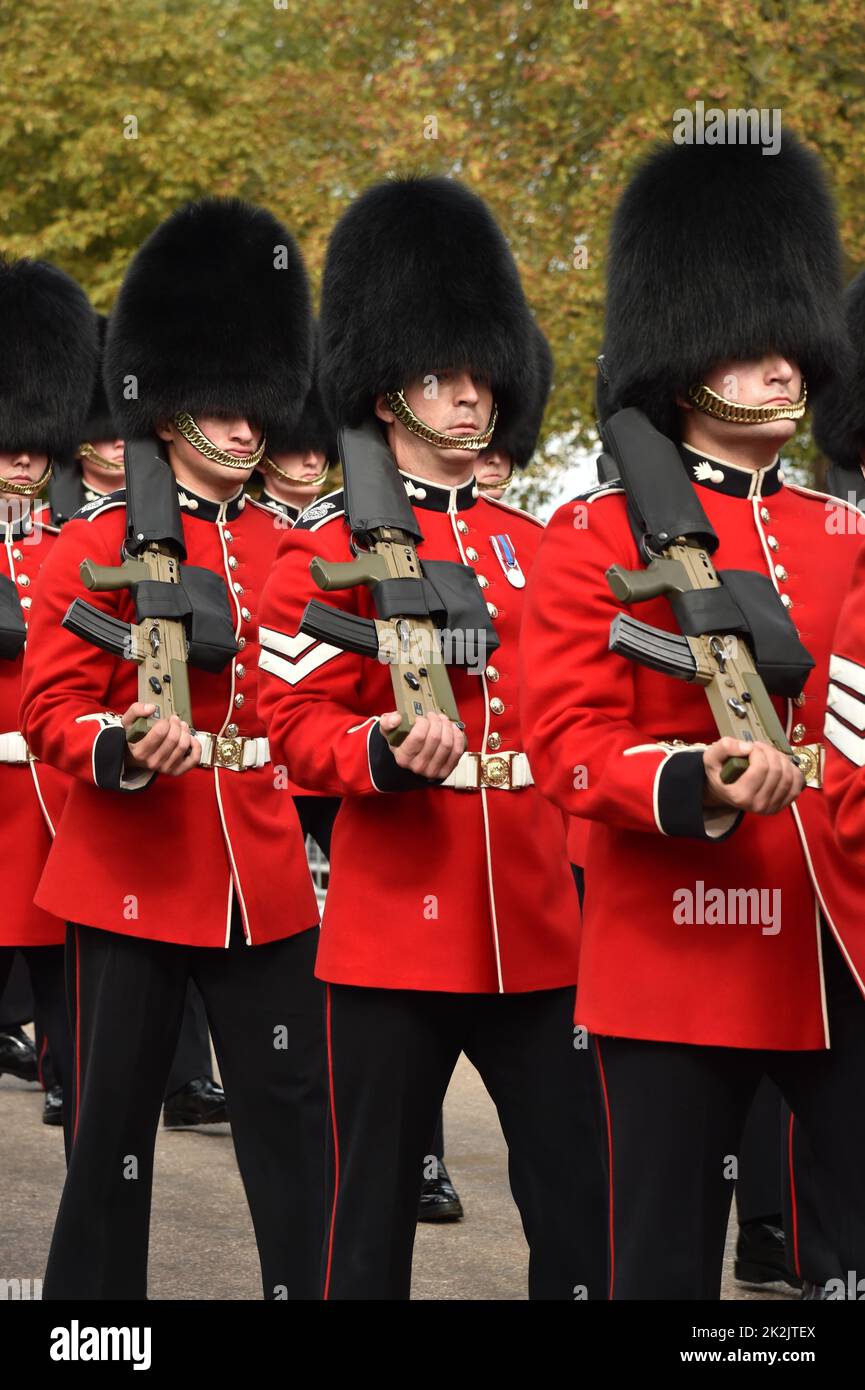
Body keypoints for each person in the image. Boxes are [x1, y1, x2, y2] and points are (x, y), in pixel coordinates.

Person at [520, 131, 865, 1299]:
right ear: (683, 363)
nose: (786, 372)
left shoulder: (841, 532)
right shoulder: (589, 540)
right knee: (658, 1266)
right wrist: (691, 779)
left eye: (795, 346)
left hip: (838, 947)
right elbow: (563, 748)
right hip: (680, 952)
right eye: (753, 347)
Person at [257, 175, 607, 1300]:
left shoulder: (540, 544)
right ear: (384, 391)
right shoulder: (323, 553)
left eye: (477, 376)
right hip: (393, 935)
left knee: (581, 1201)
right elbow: (295, 724)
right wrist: (375, 755)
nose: (468, 398)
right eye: (437, 378)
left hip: (540, 927)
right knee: (365, 1222)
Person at [21, 197, 327, 1300]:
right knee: (112, 1134)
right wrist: (124, 745)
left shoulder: (289, 550)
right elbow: (51, 712)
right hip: (133, 876)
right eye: (223, 405)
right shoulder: (90, 546)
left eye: (258, 406)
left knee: (295, 1122)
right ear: (170, 406)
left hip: (265, 878)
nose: (250, 429)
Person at [0, 256, 98, 1159]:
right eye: (8, 440)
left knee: (74, 1000)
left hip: (55, 800)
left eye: (36, 438)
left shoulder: (73, 545)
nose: (24, 456)